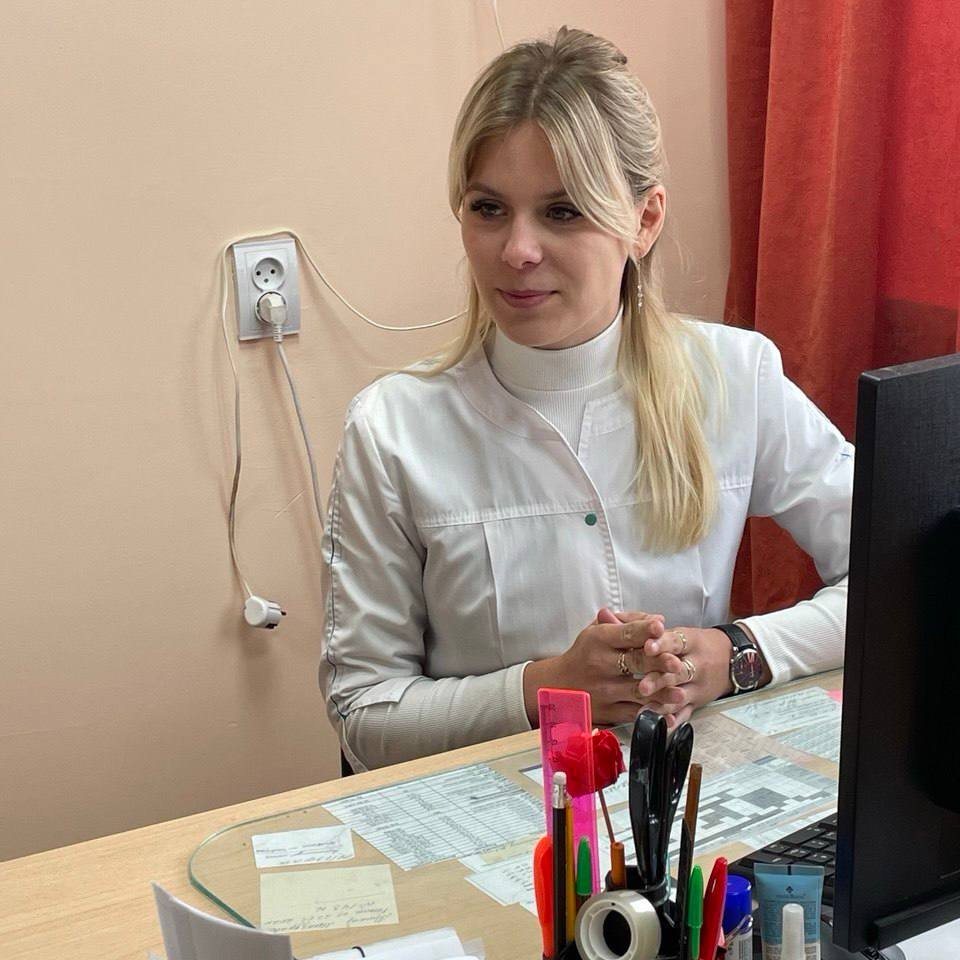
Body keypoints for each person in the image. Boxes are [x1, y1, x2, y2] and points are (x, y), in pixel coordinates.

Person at [319, 27, 852, 773]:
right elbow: (364, 716)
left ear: (645, 220)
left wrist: (739, 653)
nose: (517, 251)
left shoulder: (735, 376)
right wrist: (546, 689)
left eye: (563, 211)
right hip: (498, 816)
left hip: (683, 799)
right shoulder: (393, 429)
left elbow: (900, 575)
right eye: (488, 208)